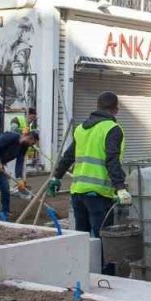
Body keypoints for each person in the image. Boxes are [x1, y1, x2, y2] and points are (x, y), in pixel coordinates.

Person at [50, 92, 129, 238]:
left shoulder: (81, 128)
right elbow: (112, 160)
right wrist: (120, 188)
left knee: (82, 239)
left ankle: (83, 262)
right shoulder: (112, 129)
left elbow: (68, 156)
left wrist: (56, 177)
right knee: (104, 240)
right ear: (116, 109)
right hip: (98, 194)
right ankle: (103, 262)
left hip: (78, 193)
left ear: (97, 107)